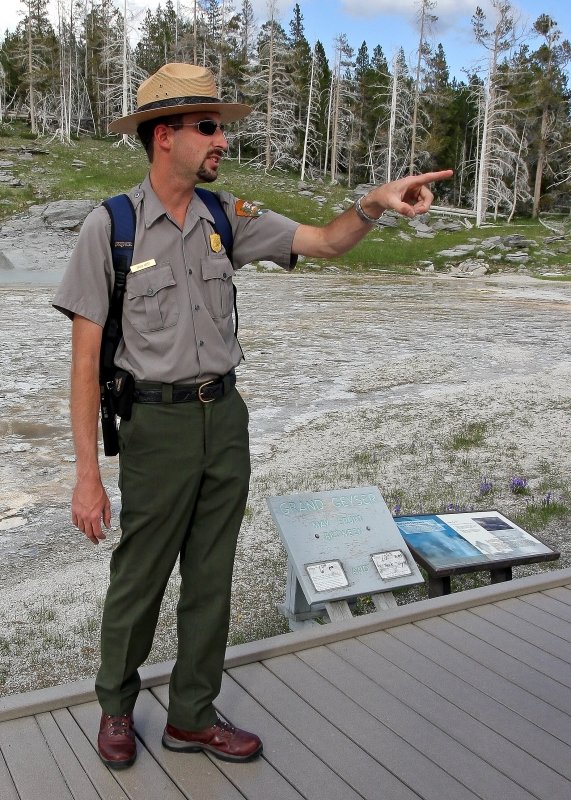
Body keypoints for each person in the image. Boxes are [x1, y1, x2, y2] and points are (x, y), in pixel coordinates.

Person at [53, 62, 452, 770]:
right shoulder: (109, 227)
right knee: (140, 574)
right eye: (210, 128)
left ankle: (192, 715)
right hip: (155, 427)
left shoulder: (223, 216)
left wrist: (373, 204)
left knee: (212, 574)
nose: (222, 142)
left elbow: (324, 241)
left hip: (223, 419)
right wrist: (87, 475)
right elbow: (85, 364)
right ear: (164, 135)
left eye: (220, 128)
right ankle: (116, 705)